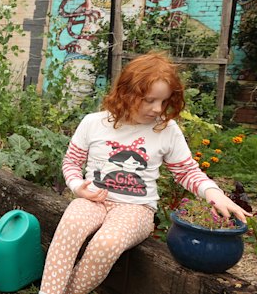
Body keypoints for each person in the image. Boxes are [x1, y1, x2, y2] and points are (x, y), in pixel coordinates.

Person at [39, 52, 251, 294]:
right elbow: (71, 162)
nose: (157, 109)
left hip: (136, 210)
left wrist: (215, 194)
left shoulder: (166, 129)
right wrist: (78, 187)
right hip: (91, 201)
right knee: (69, 227)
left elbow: (186, 172)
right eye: (150, 100)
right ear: (126, 92)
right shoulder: (93, 123)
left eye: (163, 101)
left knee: (105, 245)